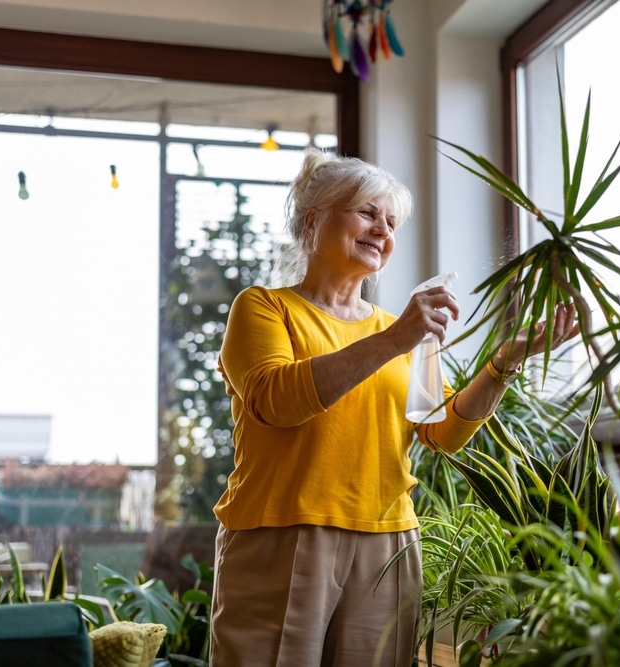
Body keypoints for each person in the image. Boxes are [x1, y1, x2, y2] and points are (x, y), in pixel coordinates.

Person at [209, 147, 578, 667]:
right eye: (366, 212)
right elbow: (276, 401)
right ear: (313, 221)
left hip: (387, 540)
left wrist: (505, 360)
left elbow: (442, 432)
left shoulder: (402, 331)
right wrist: (396, 339)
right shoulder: (264, 308)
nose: (382, 229)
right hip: (282, 531)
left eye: (391, 220)